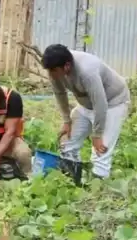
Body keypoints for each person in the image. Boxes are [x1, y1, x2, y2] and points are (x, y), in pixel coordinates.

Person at [41, 44, 131, 179]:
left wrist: (97, 134)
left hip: (113, 104)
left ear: (66, 66)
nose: (51, 74)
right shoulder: (54, 71)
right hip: (85, 105)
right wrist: (67, 120)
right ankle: (72, 180)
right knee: (67, 143)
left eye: (53, 70)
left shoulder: (87, 71)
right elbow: (60, 94)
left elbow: (101, 104)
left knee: (100, 150)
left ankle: (97, 189)